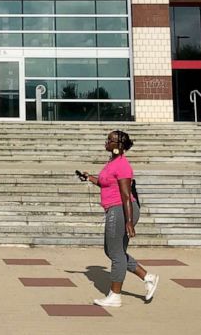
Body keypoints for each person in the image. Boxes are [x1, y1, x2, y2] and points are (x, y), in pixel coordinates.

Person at [78, 130, 158, 307]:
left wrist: (129, 221)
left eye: (110, 140)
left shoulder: (122, 165)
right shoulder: (112, 162)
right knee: (113, 251)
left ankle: (115, 295)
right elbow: (104, 182)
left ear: (118, 146)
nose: (106, 142)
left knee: (115, 254)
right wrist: (89, 177)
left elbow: (126, 194)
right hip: (117, 209)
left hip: (121, 209)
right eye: (107, 139)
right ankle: (148, 277)